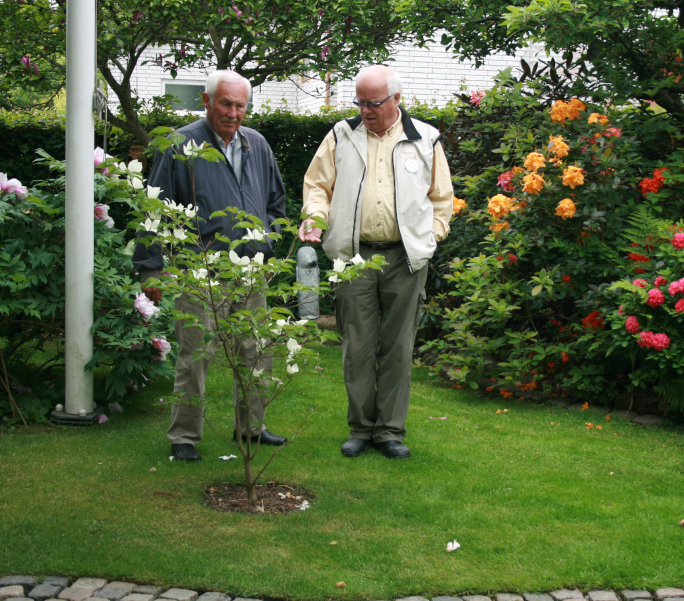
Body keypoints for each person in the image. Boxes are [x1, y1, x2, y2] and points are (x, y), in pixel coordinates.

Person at [298, 65, 453, 459]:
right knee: (358, 346)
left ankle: (389, 431)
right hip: (354, 256)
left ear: (396, 99)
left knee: (398, 347)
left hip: (405, 258)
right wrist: (315, 220)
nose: (366, 110)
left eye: (374, 103)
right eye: (361, 102)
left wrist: (430, 236)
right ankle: (360, 428)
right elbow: (317, 186)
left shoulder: (424, 138)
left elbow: (441, 199)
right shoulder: (341, 135)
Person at [133, 70, 288, 462]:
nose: (233, 113)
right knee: (196, 354)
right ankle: (184, 436)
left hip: (249, 270)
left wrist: (267, 241)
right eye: (225, 103)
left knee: (256, 351)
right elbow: (156, 209)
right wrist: (152, 269)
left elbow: (275, 201)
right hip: (199, 269)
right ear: (207, 102)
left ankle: (252, 427)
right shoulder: (181, 145)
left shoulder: (258, 144)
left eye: (240, 105)